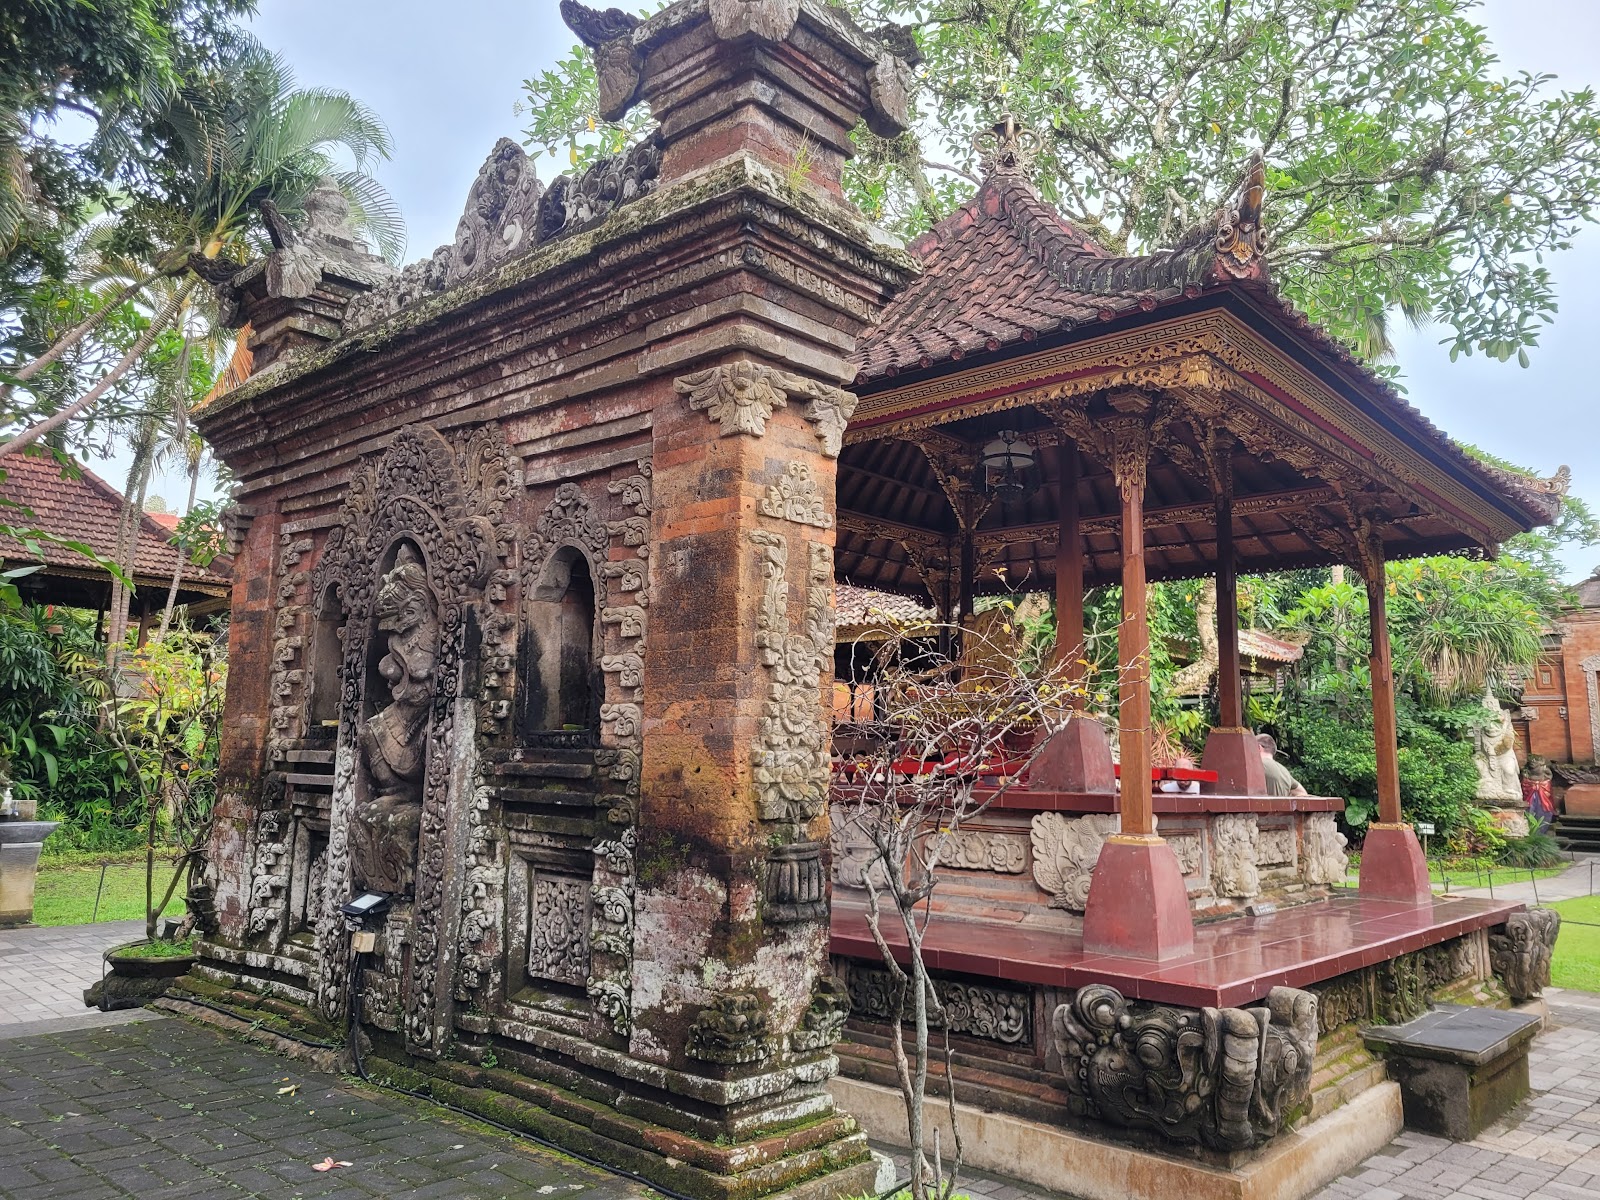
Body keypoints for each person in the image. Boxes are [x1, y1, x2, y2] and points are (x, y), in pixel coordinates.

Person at [1257, 733, 1307, 798]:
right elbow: (1302, 793)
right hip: (1280, 807)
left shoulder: (1256, 765)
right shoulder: (1284, 771)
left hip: (1261, 807)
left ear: (1258, 747)